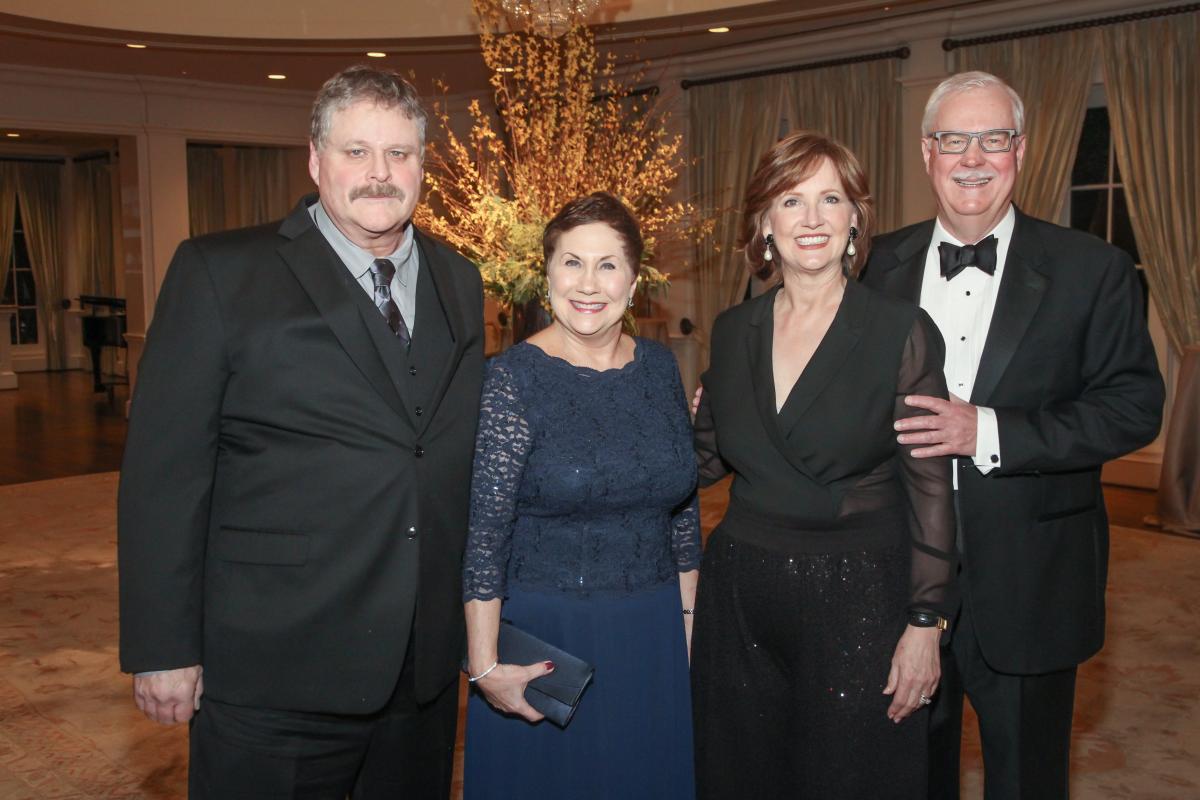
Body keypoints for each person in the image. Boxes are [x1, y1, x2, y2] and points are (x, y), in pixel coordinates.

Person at [117, 65, 485, 798]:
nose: (380, 174)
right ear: (314, 160)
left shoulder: (459, 279)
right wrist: (163, 648)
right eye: (356, 152)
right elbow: (164, 476)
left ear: (423, 166)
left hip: (421, 673)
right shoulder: (220, 272)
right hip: (274, 667)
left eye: (400, 154)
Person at [862, 71, 1164, 799]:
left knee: (1028, 779)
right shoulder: (871, 266)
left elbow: (1133, 406)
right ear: (927, 152)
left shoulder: (1094, 269)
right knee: (904, 777)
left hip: (1034, 577)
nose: (974, 157)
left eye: (993, 139)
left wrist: (989, 429)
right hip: (893, 576)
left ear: (1020, 151)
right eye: (954, 140)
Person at [691, 131, 958, 799]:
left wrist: (925, 624)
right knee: (745, 777)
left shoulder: (901, 330)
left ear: (854, 219)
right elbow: (697, 462)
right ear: (764, 223)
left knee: (852, 780)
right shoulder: (731, 331)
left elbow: (931, 489)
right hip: (741, 601)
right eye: (791, 200)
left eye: (829, 199)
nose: (811, 219)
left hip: (861, 599)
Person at [461, 192, 700, 800]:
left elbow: (683, 515)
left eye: (607, 264)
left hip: (652, 636)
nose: (588, 283)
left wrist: (688, 632)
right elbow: (486, 533)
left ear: (635, 278)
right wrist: (486, 666)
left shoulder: (661, 369)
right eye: (572, 263)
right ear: (546, 276)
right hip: (547, 646)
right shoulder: (512, 379)